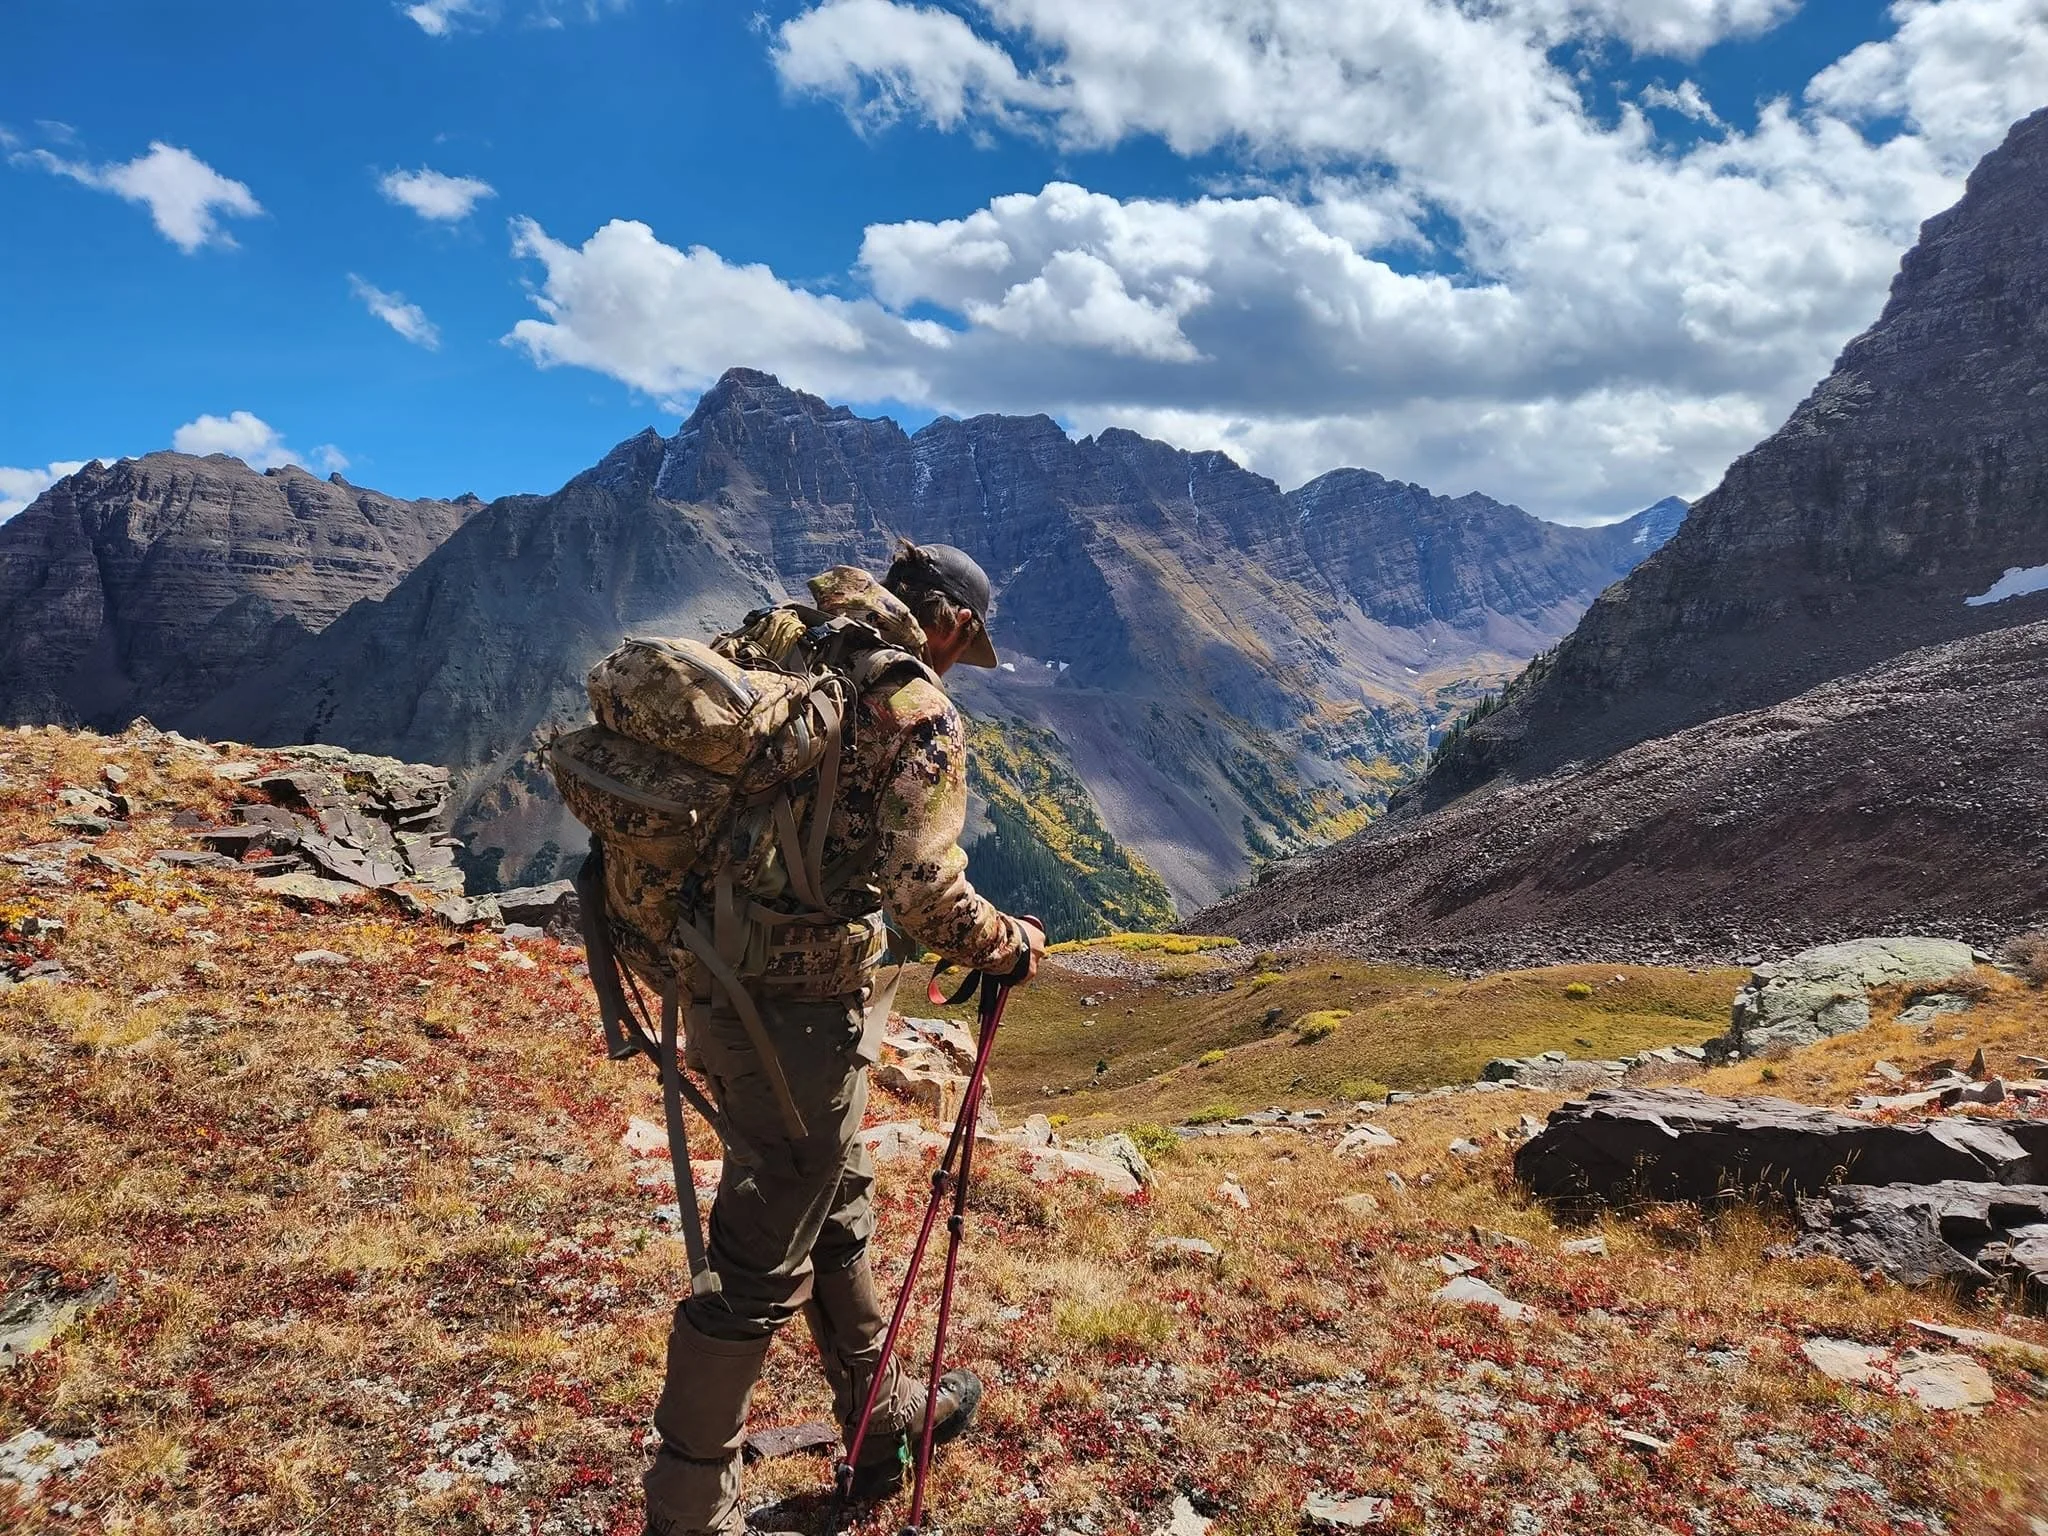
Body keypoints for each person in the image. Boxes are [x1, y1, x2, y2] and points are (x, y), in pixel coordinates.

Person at [642, 541, 1047, 1536]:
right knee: (755, 1260)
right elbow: (923, 889)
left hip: (716, 969)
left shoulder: (788, 642)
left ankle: (878, 1424)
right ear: (947, 620)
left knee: (835, 1195)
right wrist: (1004, 945)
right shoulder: (912, 711)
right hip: (800, 1005)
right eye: (966, 641)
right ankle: (687, 1510)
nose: (960, 660)